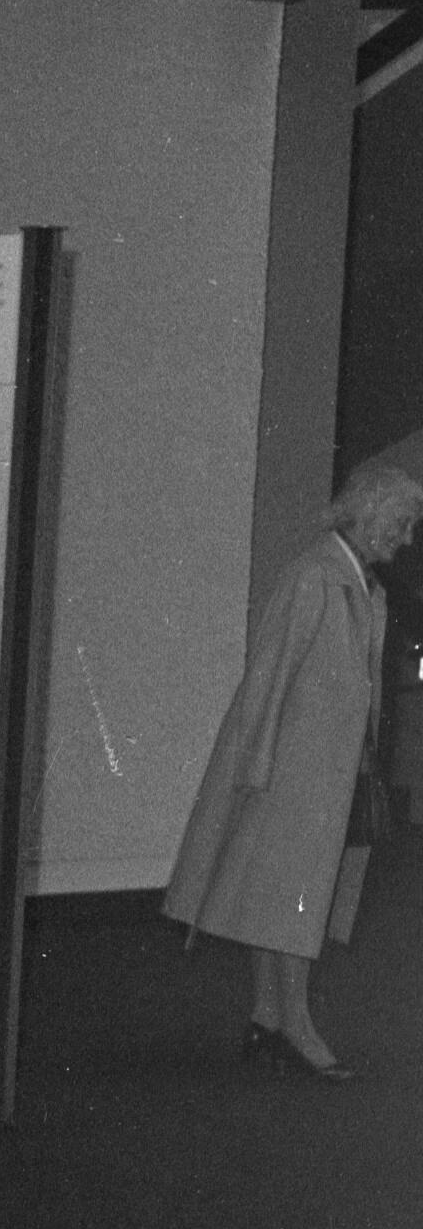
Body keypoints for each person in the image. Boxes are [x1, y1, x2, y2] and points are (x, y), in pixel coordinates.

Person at [163, 459, 423, 1082]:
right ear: (373, 516)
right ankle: (297, 1026)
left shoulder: (362, 586)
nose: (408, 538)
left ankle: (268, 1016)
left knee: (278, 898)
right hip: (290, 772)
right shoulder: (315, 576)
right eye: (403, 524)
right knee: (292, 903)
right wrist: (255, 763)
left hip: (325, 775)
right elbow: (269, 675)